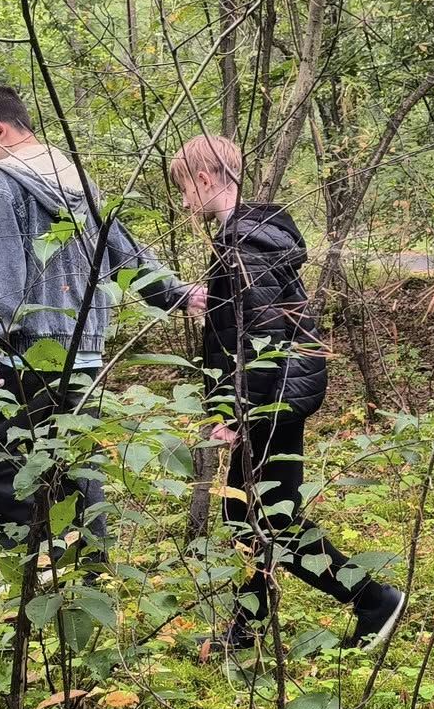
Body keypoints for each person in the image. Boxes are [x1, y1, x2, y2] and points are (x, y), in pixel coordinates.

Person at [169, 134, 405, 655]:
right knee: (257, 515)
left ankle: (372, 599)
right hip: (279, 395)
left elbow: (263, 338)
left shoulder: (242, 247)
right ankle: (247, 628)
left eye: (184, 188)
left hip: (271, 399)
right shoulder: (253, 236)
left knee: (264, 519)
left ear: (204, 179)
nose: (185, 203)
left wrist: (237, 413)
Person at [0, 85, 199, 563]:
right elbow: (121, 246)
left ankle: (36, 559)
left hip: (32, 347)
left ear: (0, 130)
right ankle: (93, 569)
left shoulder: (1, 179)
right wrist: (175, 292)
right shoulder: (74, 175)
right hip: (85, 343)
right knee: (76, 459)